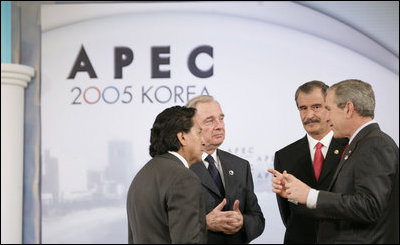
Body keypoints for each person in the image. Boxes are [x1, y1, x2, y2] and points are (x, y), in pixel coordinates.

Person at [270, 79, 399, 243]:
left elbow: (370, 206)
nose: (327, 117)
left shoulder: (375, 144)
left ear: (348, 109)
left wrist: (310, 195)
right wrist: (298, 195)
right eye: (303, 108)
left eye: (327, 109)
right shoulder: (363, 143)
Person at [272, 81, 348, 243]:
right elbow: (288, 215)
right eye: (303, 108)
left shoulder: (350, 148)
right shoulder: (284, 156)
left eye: (316, 107)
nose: (309, 115)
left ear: (329, 107)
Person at [186, 95, 265, 244]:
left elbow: (257, 219)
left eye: (221, 118)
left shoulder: (241, 166)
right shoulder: (180, 167)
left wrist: (242, 222)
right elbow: (164, 223)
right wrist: (205, 223)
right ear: (191, 127)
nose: (219, 126)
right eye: (210, 121)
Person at [126, 106, 207, 244]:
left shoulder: (140, 177)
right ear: (182, 137)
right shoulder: (183, 178)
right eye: (199, 133)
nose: (204, 141)